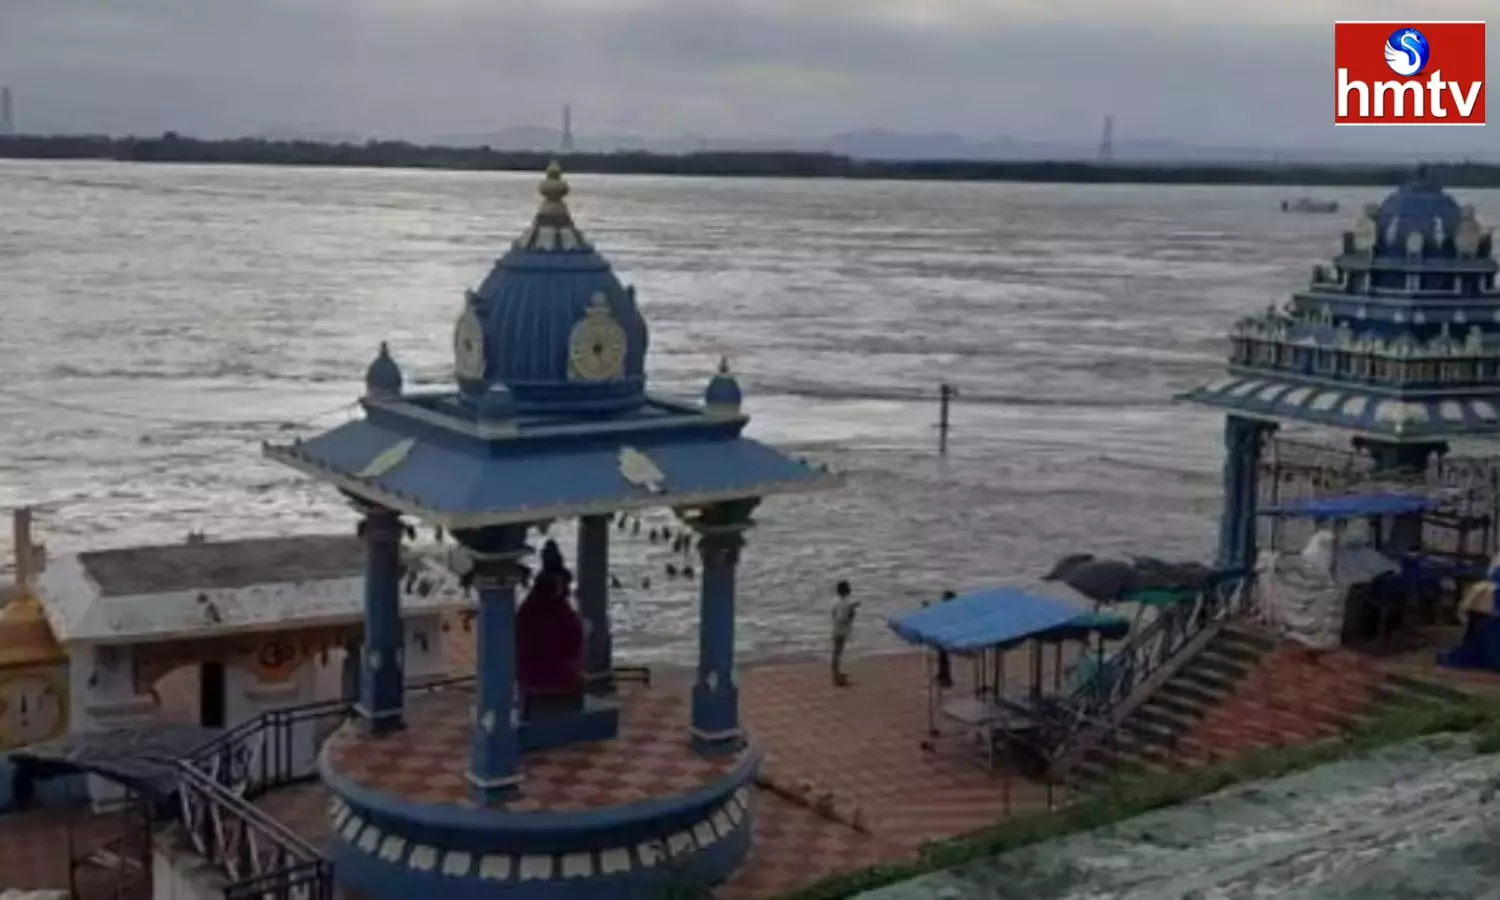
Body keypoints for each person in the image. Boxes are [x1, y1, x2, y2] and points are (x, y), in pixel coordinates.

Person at [515, 539, 586, 715]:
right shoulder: (564, 615)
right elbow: (574, 646)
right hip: (559, 678)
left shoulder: (527, 611)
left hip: (529, 678)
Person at [831, 580, 858, 686]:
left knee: (837, 652)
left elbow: (834, 614)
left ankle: (836, 674)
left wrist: (851, 607)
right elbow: (842, 617)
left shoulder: (837, 601)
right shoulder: (843, 603)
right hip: (841, 631)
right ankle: (836, 675)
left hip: (837, 629)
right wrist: (851, 613)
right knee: (837, 652)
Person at [936, 590, 956, 688]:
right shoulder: (950, 608)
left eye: (944, 597)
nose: (943, 599)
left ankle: (945, 677)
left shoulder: (949, 609)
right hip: (943, 635)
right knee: (942, 657)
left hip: (946, 636)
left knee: (944, 657)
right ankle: (942, 675)